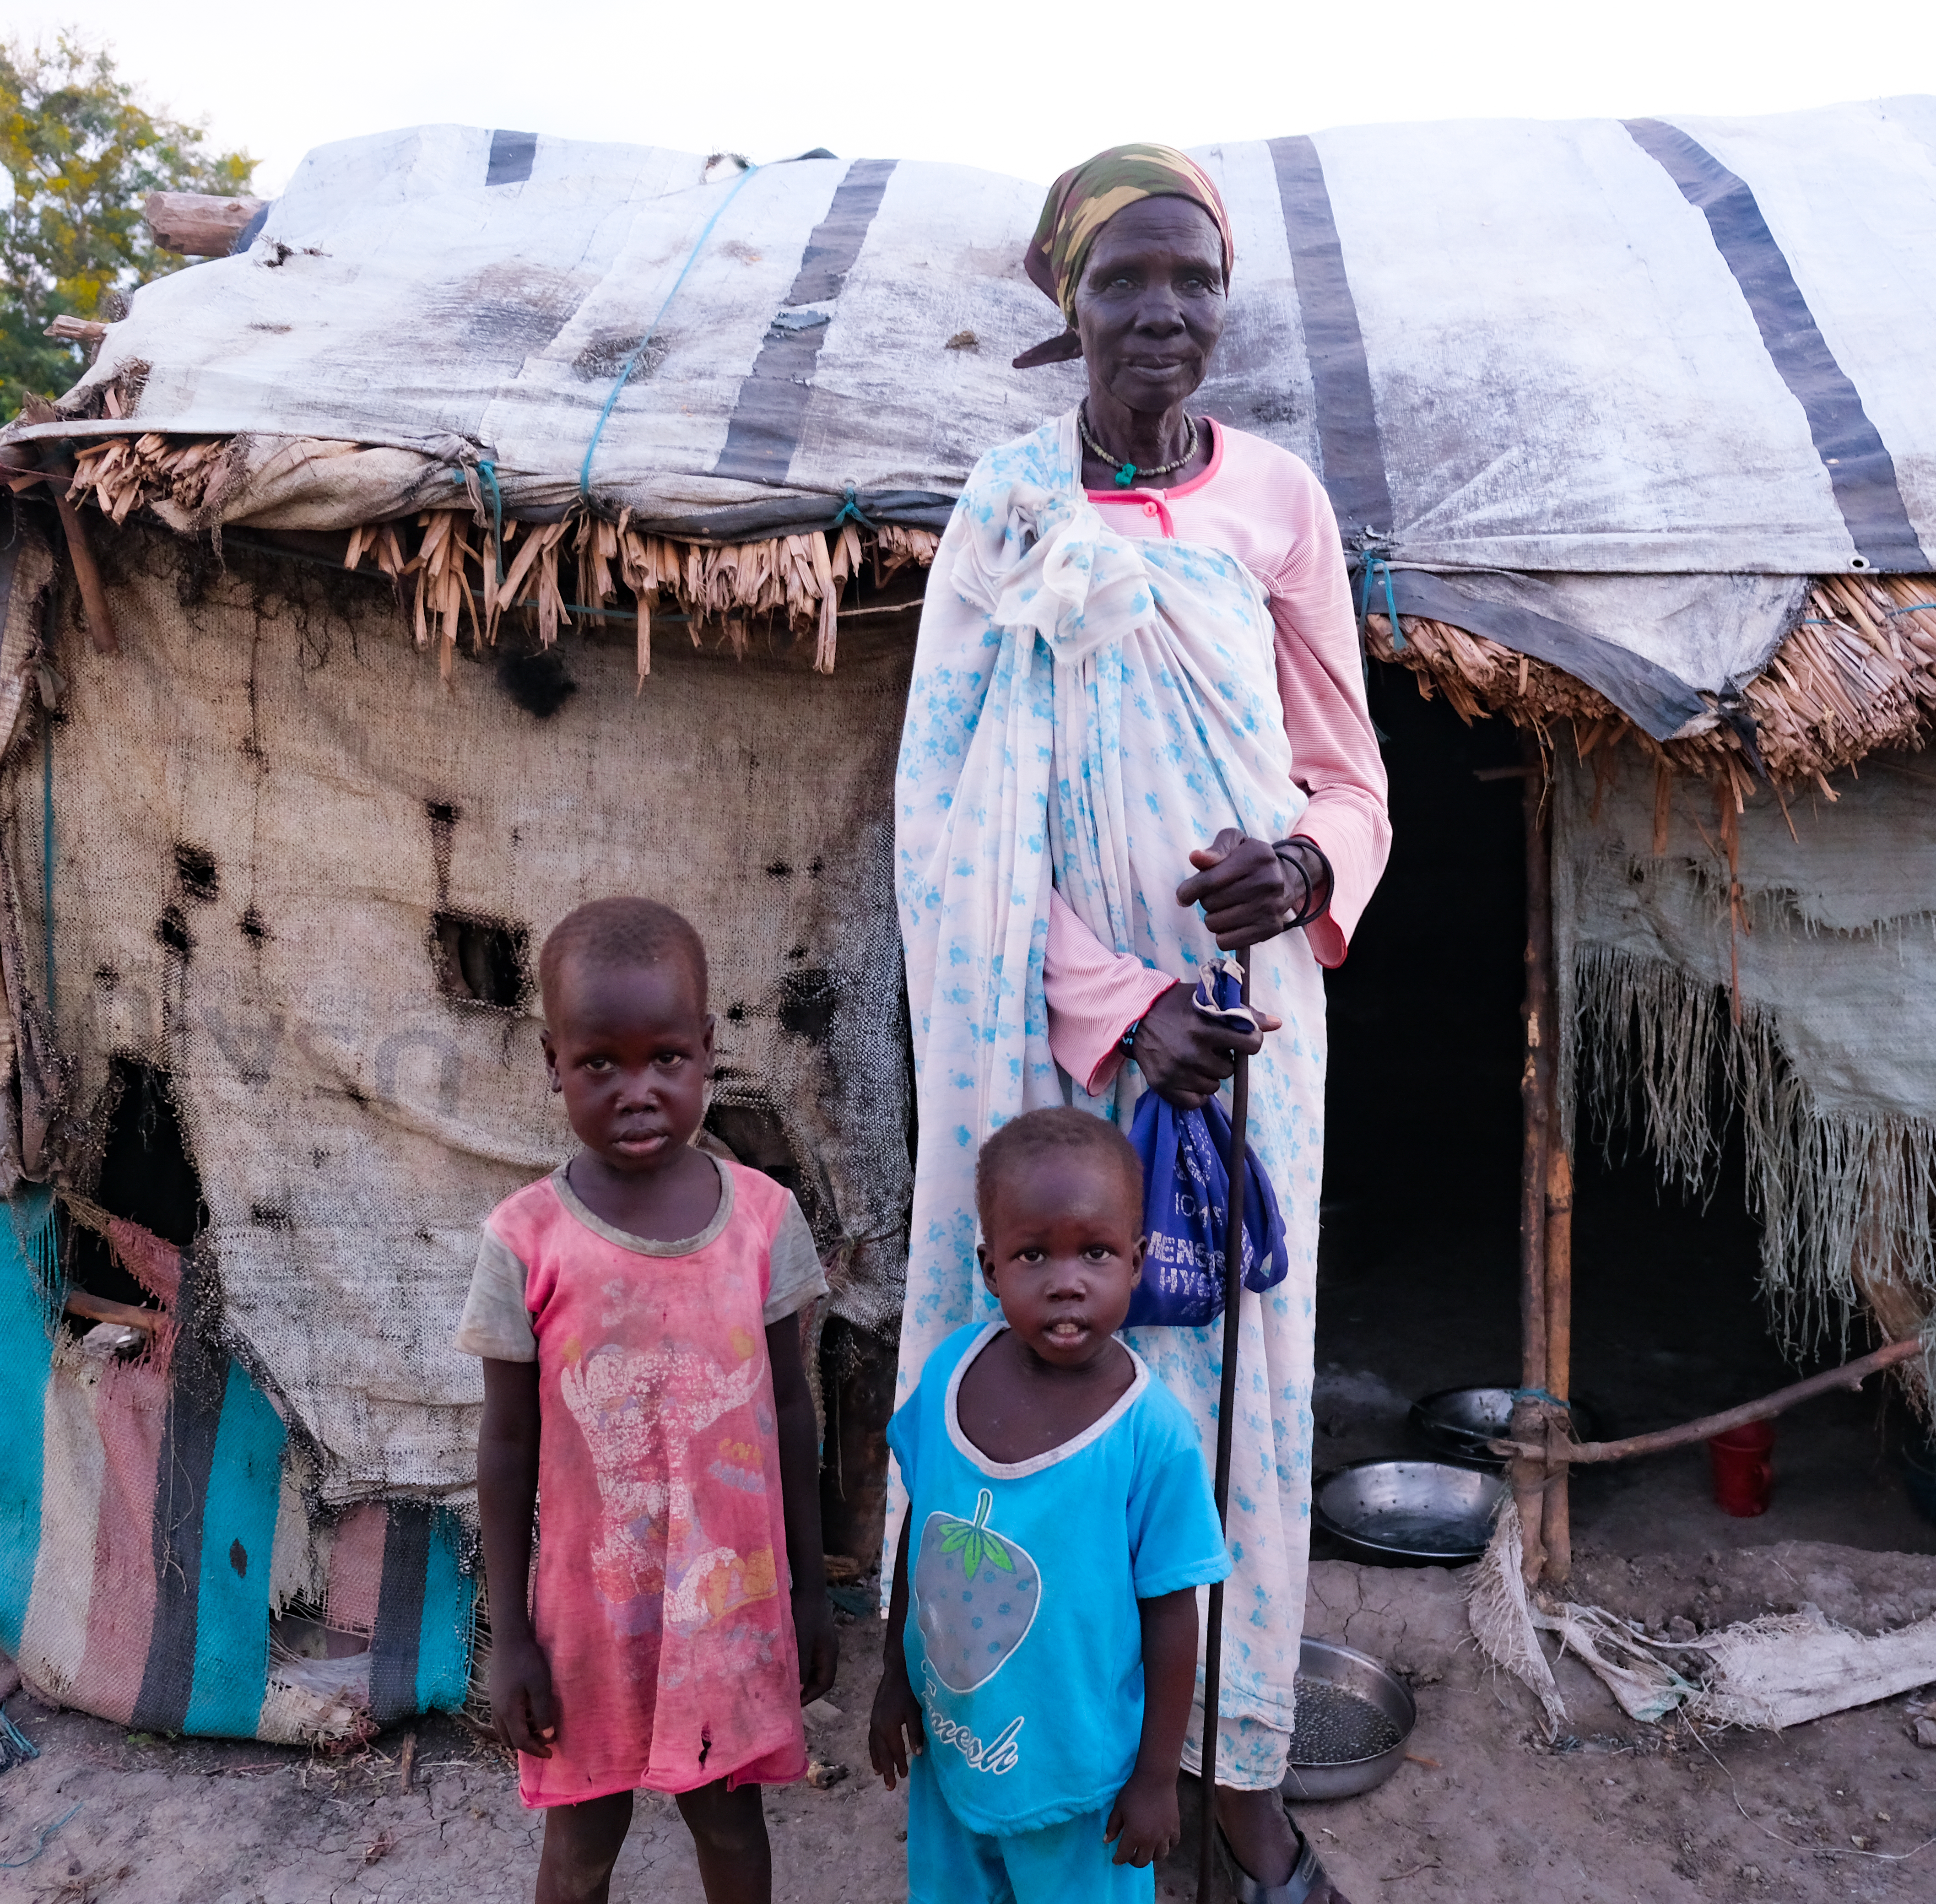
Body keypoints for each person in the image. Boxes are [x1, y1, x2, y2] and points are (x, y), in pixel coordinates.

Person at [893, 144, 1390, 1904]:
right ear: (1070, 306)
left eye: (1192, 280)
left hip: (1258, 1027)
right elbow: (949, 817)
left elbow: (1351, 774)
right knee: (1061, 1367)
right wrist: (1117, 1004)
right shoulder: (1009, 503)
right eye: (1125, 281)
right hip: (1068, 1045)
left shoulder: (1281, 503)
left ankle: (1238, 1762)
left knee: (1247, 1376)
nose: (1163, 311)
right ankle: (1057, 1743)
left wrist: (1307, 862)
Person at [457, 896, 839, 1904]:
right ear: (552, 1061)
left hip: (733, 1603)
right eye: (600, 1065)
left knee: (732, 1825)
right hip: (589, 1622)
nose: (638, 1092)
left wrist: (807, 1588)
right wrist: (513, 1638)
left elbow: (792, 1416)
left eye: (666, 1058)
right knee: (581, 1847)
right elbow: (505, 1448)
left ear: (708, 1050)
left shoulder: (764, 1219)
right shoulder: (526, 1239)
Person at [869, 1107, 1229, 1903]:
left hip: (1083, 1785)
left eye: (1095, 1253)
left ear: (1135, 1263)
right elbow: (921, 1535)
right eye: (1034, 1254)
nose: (1067, 1280)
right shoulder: (949, 1375)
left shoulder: (1151, 1434)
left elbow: (1174, 1616)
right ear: (990, 1268)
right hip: (954, 1751)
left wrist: (1158, 1779)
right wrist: (895, 1676)